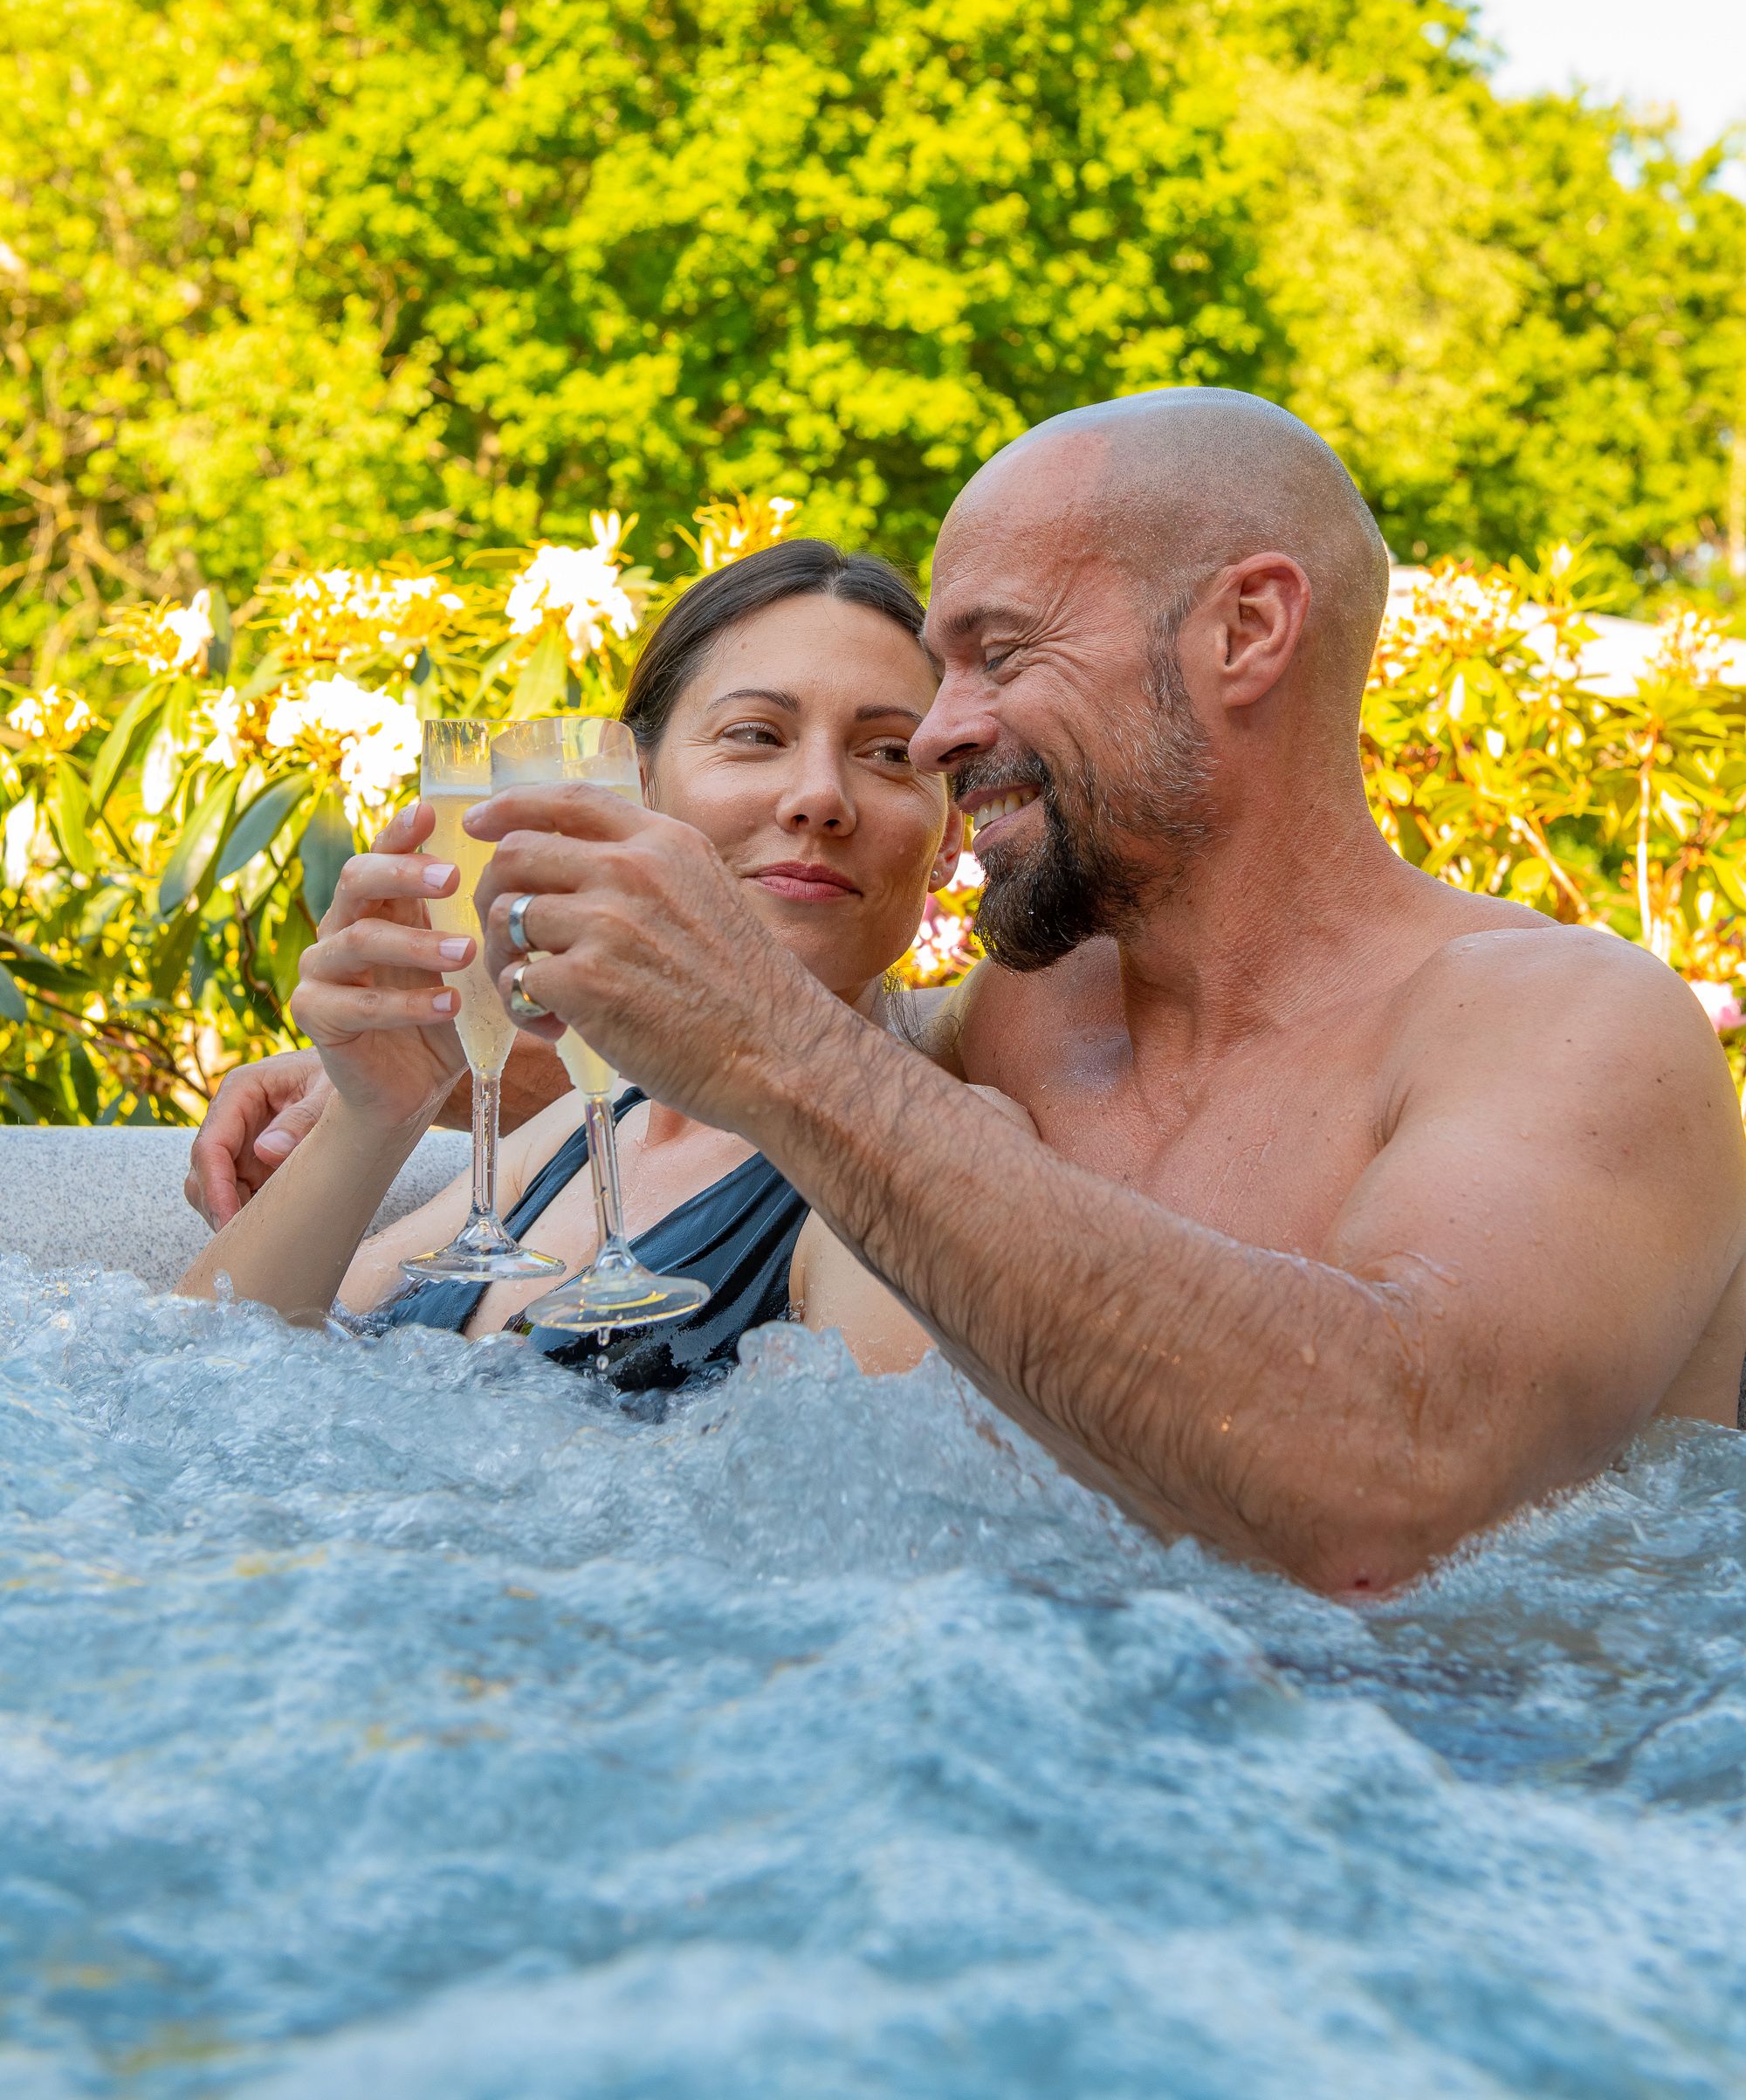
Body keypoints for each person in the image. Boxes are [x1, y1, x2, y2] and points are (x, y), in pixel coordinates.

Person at [436, 388, 1746, 1592]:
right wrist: (426, 1082)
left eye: (998, 653)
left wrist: (773, 1044)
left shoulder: (1570, 1025)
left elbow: (1392, 1492)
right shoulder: (1021, 1019)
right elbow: (759, 1085)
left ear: (1245, 631)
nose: (943, 731)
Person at [179, 544, 1021, 1383]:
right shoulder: (589, 1132)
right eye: (756, 735)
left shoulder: (939, 1165)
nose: (818, 799)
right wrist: (377, 1112)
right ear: (636, 792)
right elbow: (192, 1384)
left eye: (887, 754)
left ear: (948, 840)